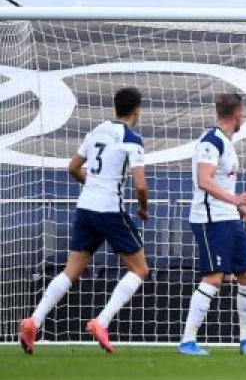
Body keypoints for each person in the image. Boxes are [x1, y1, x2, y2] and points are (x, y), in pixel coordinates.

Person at [18, 87, 150, 354]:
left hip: (86, 207)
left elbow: (72, 167)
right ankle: (101, 322)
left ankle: (34, 320)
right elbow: (140, 184)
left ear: (116, 107)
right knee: (140, 270)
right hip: (110, 210)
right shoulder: (132, 138)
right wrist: (143, 209)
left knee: (71, 271)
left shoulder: (97, 131)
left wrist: (92, 185)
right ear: (137, 110)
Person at [178, 93, 246, 356]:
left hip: (229, 217)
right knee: (214, 278)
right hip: (210, 220)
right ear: (237, 115)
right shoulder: (211, 142)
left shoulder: (227, 143)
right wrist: (237, 199)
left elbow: (222, 185)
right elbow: (204, 181)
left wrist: (245, 211)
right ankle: (188, 340)